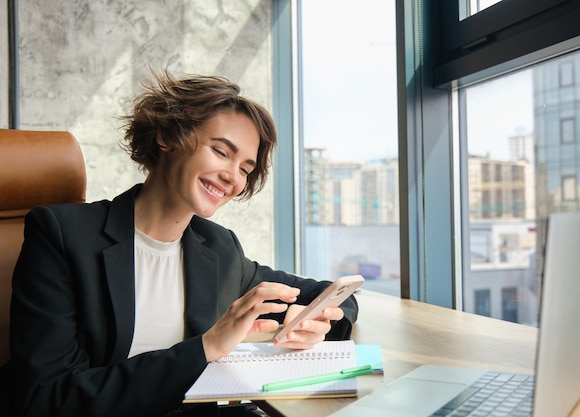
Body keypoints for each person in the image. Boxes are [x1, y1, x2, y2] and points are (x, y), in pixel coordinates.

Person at [8, 71, 359, 417]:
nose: (233, 178)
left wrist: (315, 320)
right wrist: (206, 348)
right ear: (167, 137)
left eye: (245, 169)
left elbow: (330, 294)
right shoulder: (62, 235)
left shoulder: (218, 248)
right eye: (221, 152)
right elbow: (50, 398)